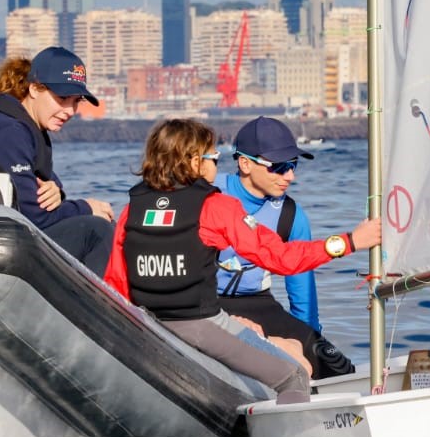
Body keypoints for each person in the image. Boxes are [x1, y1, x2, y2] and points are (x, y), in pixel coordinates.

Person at [101, 119, 380, 402]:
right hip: (201, 325)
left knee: (296, 347)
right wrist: (350, 241)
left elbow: (116, 281)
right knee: (294, 374)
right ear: (196, 162)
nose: (217, 164)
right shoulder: (216, 206)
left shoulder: (132, 209)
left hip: (149, 322)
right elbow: (281, 258)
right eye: (214, 157)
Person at [0, 47, 115, 274]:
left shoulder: (10, 121)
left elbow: (40, 188)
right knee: (97, 229)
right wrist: (86, 207)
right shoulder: (10, 130)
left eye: (76, 101)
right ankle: (100, 308)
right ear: (35, 88)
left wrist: (56, 190)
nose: (70, 110)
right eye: (62, 98)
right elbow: (34, 218)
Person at [214, 117, 357, 378]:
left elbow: (301, 291)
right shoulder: (211, 193)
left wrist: (310, 340)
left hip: (258, 303)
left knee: (336, 367)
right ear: (245, 163)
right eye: (279, 167)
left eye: (293, 165)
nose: (290, 176)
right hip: (209, 305)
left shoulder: (291, 215)